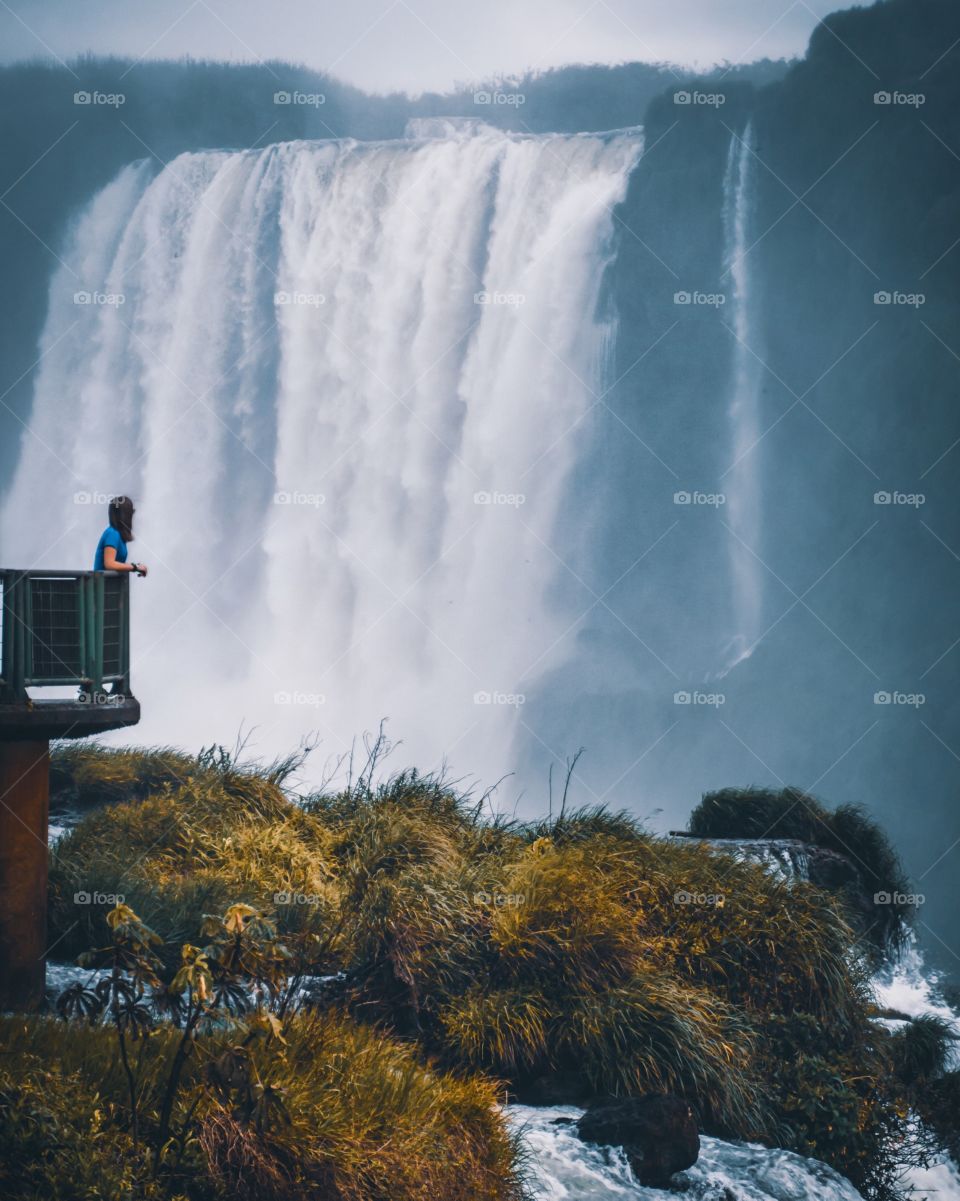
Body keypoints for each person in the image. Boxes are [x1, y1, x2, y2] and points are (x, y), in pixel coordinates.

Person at [94, 496, 148, 577]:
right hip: (101, 586)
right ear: (126, 514)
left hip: (110, 585)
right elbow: (109, 564)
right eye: (131, 512)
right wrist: (135, 567)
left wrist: (136, 567)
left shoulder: (117, 534)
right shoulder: (112, 534)